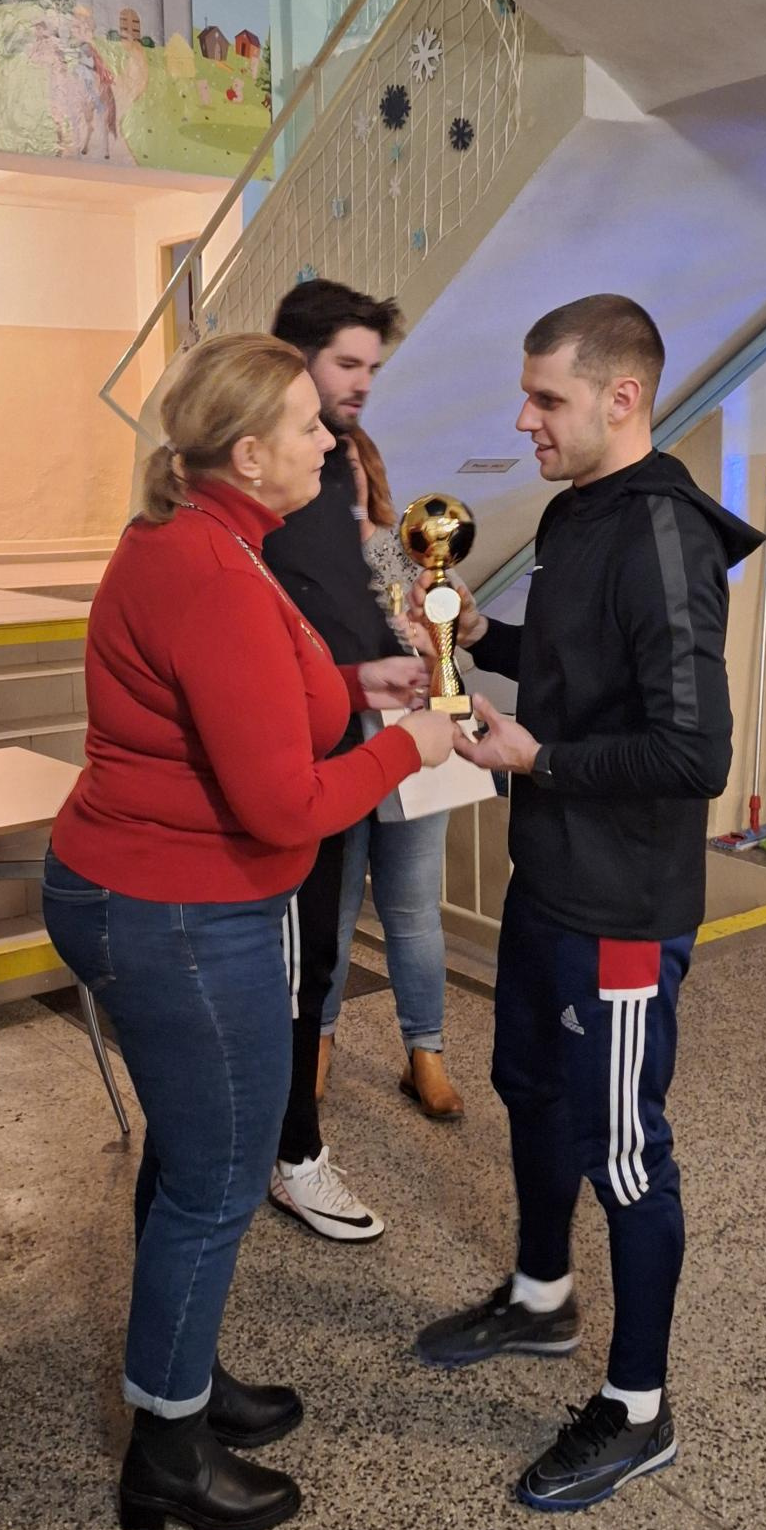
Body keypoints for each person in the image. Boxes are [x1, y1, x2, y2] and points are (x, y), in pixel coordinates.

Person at [43, 334, 452, 1530]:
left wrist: (363, 687)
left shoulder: (210, 538)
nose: (332, 436)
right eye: (308, 423)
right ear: (248, 453)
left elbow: (259, 691)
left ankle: (183, 1371)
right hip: (176, 908)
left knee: (190, 1153)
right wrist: (409, 745)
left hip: (150, 889)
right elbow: (282, 804)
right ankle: (166, 1454)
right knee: (220, 1177)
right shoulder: (213, 571)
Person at [414, 295, 762, 1511]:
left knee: (622, 1147)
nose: (524, 420)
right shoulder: (575, 513)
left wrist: (539, 759)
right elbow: (575, 663)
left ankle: (639, 1408)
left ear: (622, 397)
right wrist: (476, 634)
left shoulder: (667, 532)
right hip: (549, 878)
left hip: (622, 907)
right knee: (530, 1085)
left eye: (546, 398)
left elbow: (694, 754)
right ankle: (542, 1296)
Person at [262, 280, 461, 1245]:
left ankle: (300, 1136)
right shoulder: (252, 497)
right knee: (301, 953)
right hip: (296, 760)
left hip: (353, 738)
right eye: (347, 364)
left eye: (371, 368)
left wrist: (386, 670)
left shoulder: (340, 481)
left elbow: (347, 613)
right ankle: (288, 1139)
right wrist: (357, 680)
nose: (363, 386)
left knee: (355, 934)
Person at [316, 422, 463, 1122]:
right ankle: (317, 1042)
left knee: (411, 911)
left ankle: (424, 1053)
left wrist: (430, 645)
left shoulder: (410, 551)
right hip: (336, 751)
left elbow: (451, 653)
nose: (336, 477)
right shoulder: (298, 555)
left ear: (369, 469)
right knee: (333, 909)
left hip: (413, 748)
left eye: (346, 463)